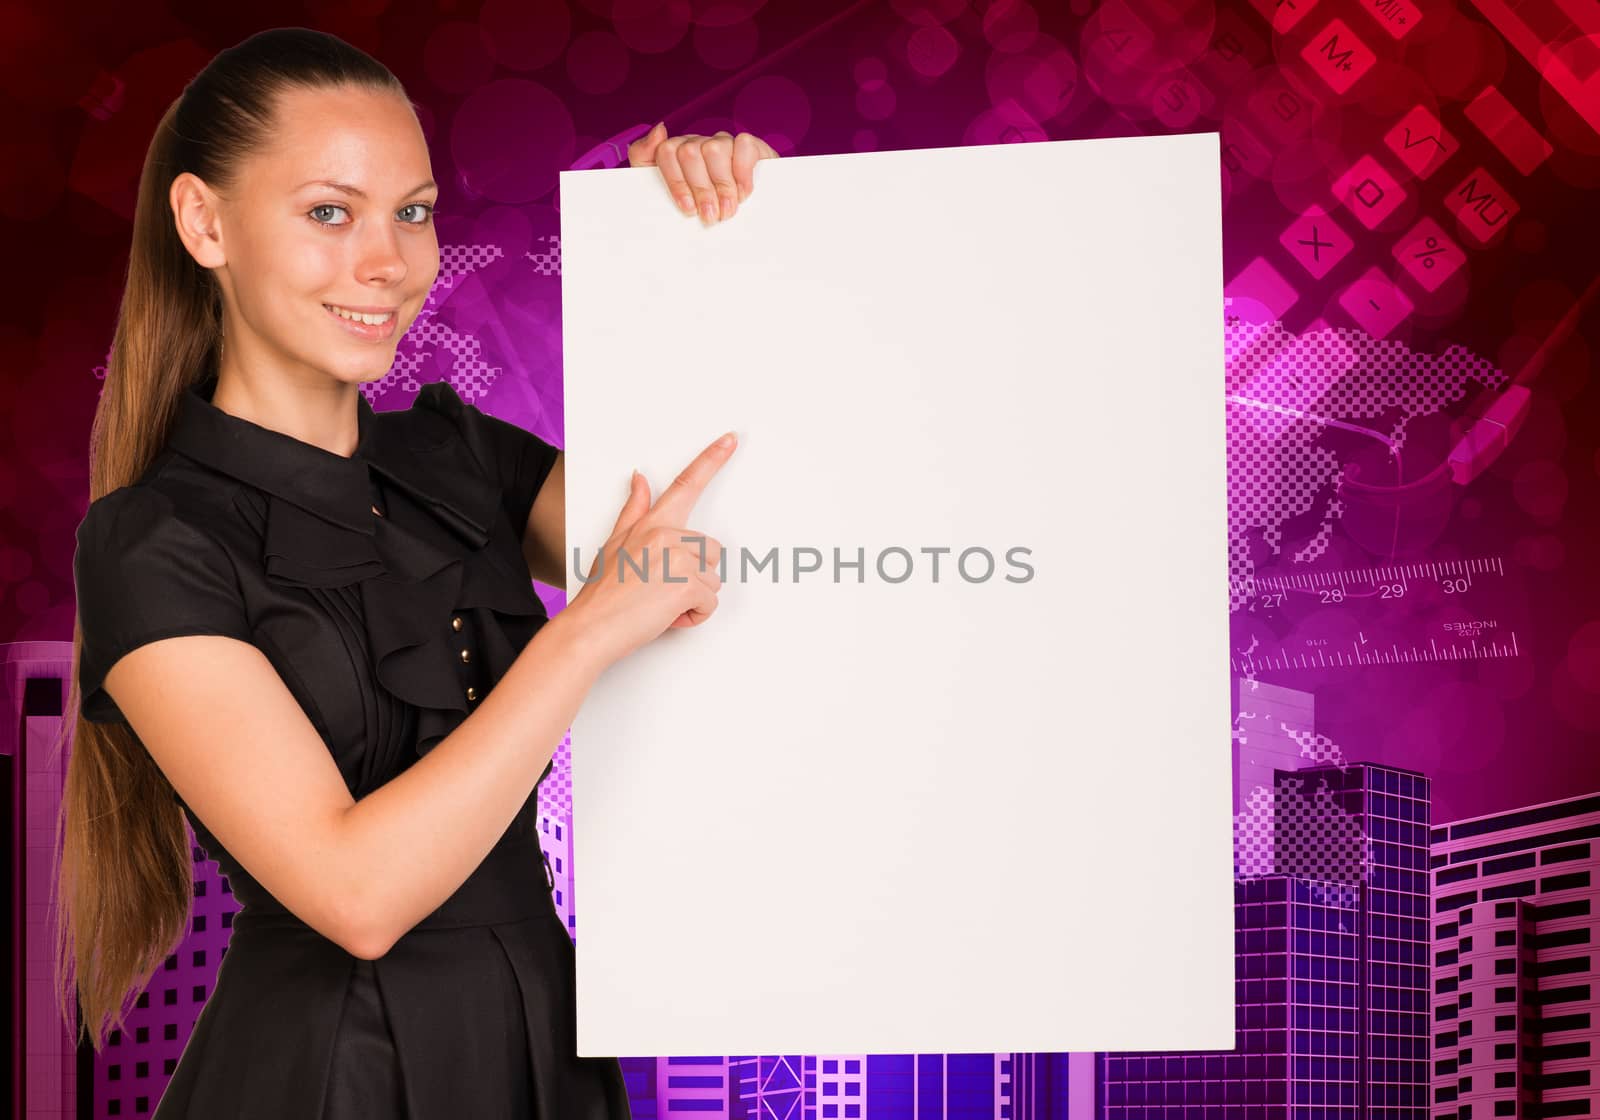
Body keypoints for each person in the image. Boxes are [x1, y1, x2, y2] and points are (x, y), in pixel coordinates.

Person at [54, 26, 774, 1120]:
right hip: (330, 1075)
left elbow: (722, 542)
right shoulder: (152, 540)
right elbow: (356, 895)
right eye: (329, 213)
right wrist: (580, 634)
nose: (388, 262)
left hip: (552, 1043)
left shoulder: (461, 458)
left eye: (415, 210)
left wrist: (694, 255)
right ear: (204, 222)